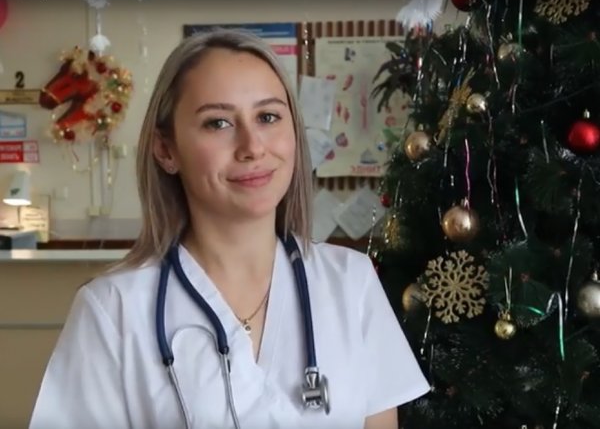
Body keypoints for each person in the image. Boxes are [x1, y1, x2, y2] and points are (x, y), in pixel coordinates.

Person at [29, 28, 429, 429]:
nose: (252, 146)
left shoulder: (351, 283)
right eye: (217, 122)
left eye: (268, 117)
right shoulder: (113, 309)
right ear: (166, 150)